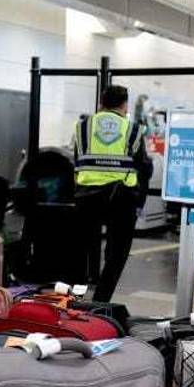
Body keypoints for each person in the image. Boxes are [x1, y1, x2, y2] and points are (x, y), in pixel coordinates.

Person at [71, 84, 152, 302]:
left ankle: (75, 298)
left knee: (82, 248)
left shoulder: (83, 127)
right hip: (121, 198)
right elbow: (144, 167)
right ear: (125, 105)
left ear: (101, 103)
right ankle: (100, 301)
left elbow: (77, 159)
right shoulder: (133, 129)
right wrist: (139, 202)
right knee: (117, 253)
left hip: (86, 196)